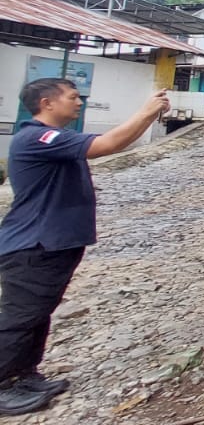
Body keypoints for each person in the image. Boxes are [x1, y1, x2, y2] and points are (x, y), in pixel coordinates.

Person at [0, 78, 169, 415]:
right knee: (21, 316)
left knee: (39, 314)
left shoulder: (58, 139)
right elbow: (107, 144)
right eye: (73, 97)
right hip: (34, 244)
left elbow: (109, 144)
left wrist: (150, 116)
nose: (79, 102)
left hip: (55, 243)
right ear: (47, 103)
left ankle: (24, 374)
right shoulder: (36, 136)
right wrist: (146, 112)